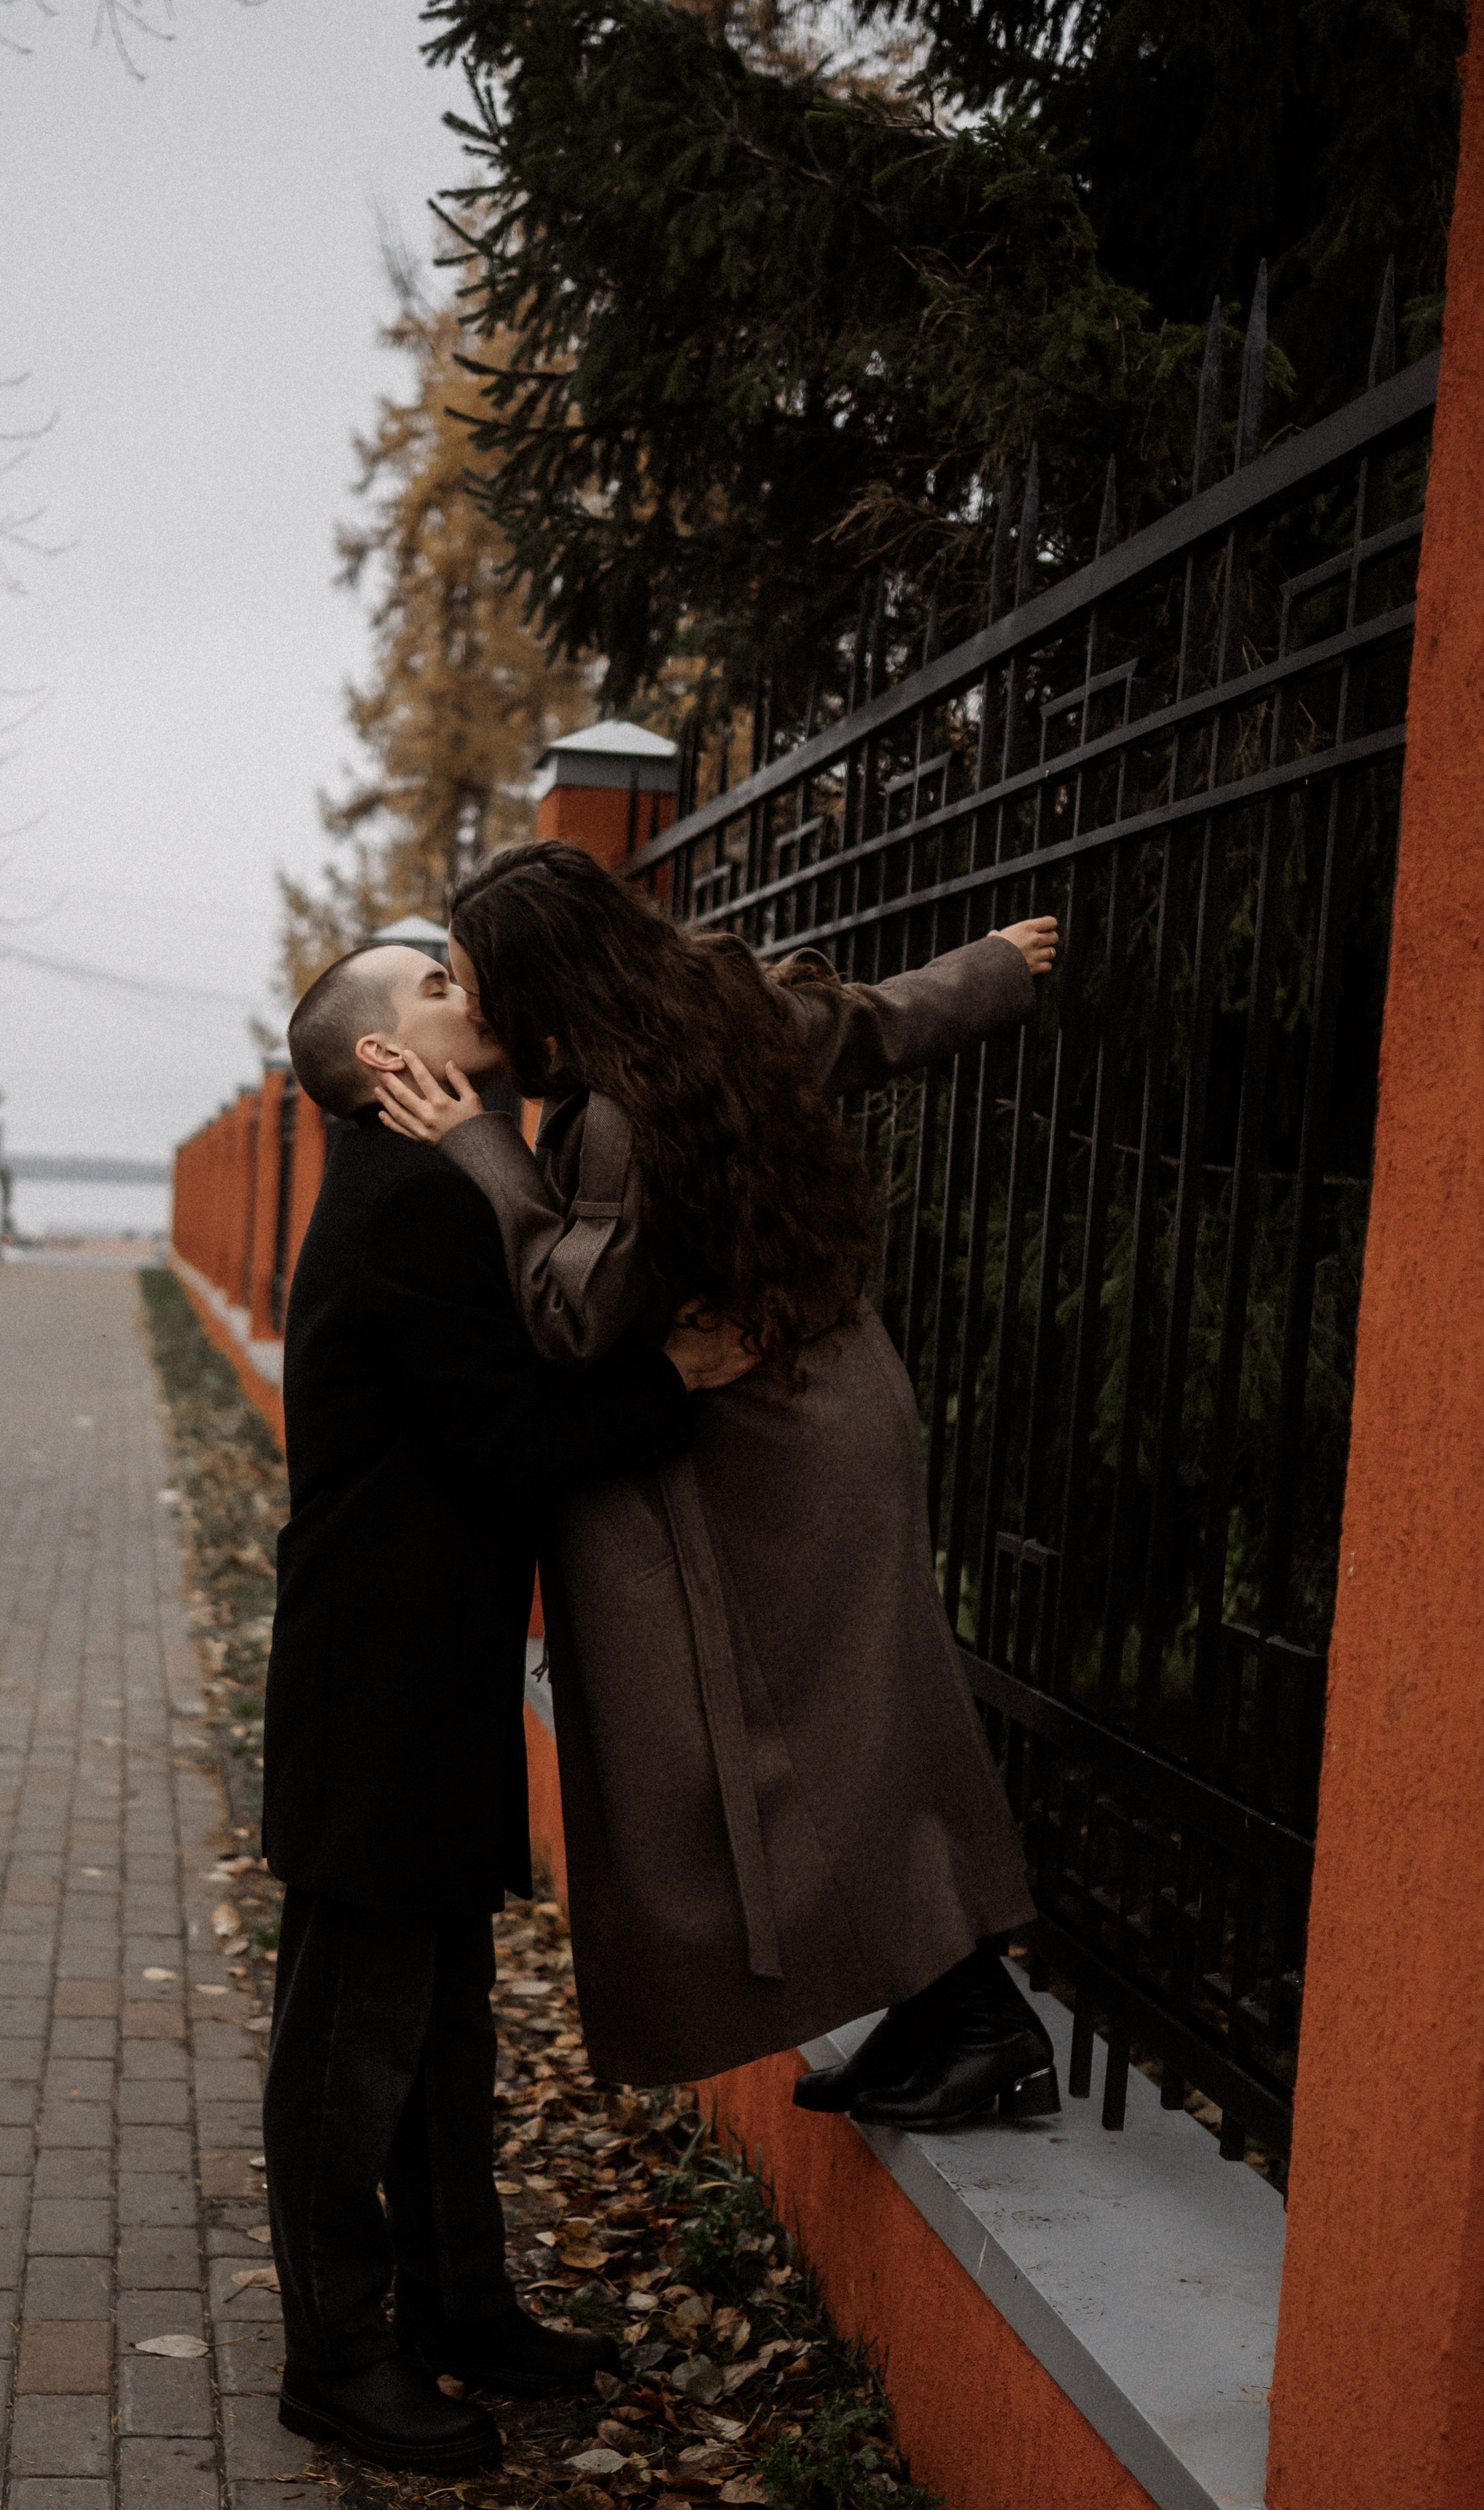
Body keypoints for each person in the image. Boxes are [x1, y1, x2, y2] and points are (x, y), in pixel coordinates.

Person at [372, 840, 1062, 2134]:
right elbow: (859, 1025)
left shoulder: (620, 1117)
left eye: (474, 985)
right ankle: (943, 2016)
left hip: (780, 1442)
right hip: (825, 1402)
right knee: (844, 1728)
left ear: (544, 987)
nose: (467, 1012)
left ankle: (980, 2022)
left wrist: (480, 1145)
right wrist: (991, 971)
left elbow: (572, 1315)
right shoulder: (707, 1012)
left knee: (829, 1735)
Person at [259, 938, 752, 2478]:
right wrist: (672, 1375)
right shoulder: (403, 1197)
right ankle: (337, 2357)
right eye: (425, 984)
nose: (459, 980)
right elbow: (501, 1438)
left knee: (441, 2026)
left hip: (427, 1665)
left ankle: (460, 2306)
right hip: (378, 1683)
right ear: (376, 1063)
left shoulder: (442, 1176)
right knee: (351, 2041)